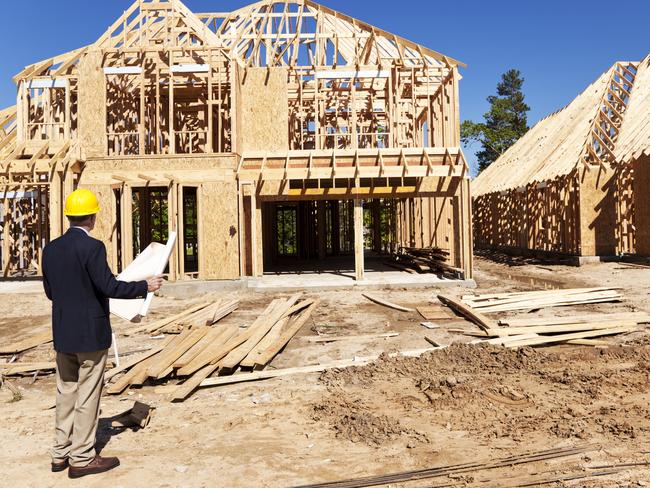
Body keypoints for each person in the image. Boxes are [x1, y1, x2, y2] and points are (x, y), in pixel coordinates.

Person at [42, 189, 164, 479]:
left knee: (66, 391)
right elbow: (109, 287)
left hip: (63, 334)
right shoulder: (93, 248)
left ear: (70, 215)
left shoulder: (51, 249)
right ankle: (82, 458)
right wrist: (144, 287)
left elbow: (50, 292)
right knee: (88, 395)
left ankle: (60, 453)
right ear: (93, 216)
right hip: (91, 335)